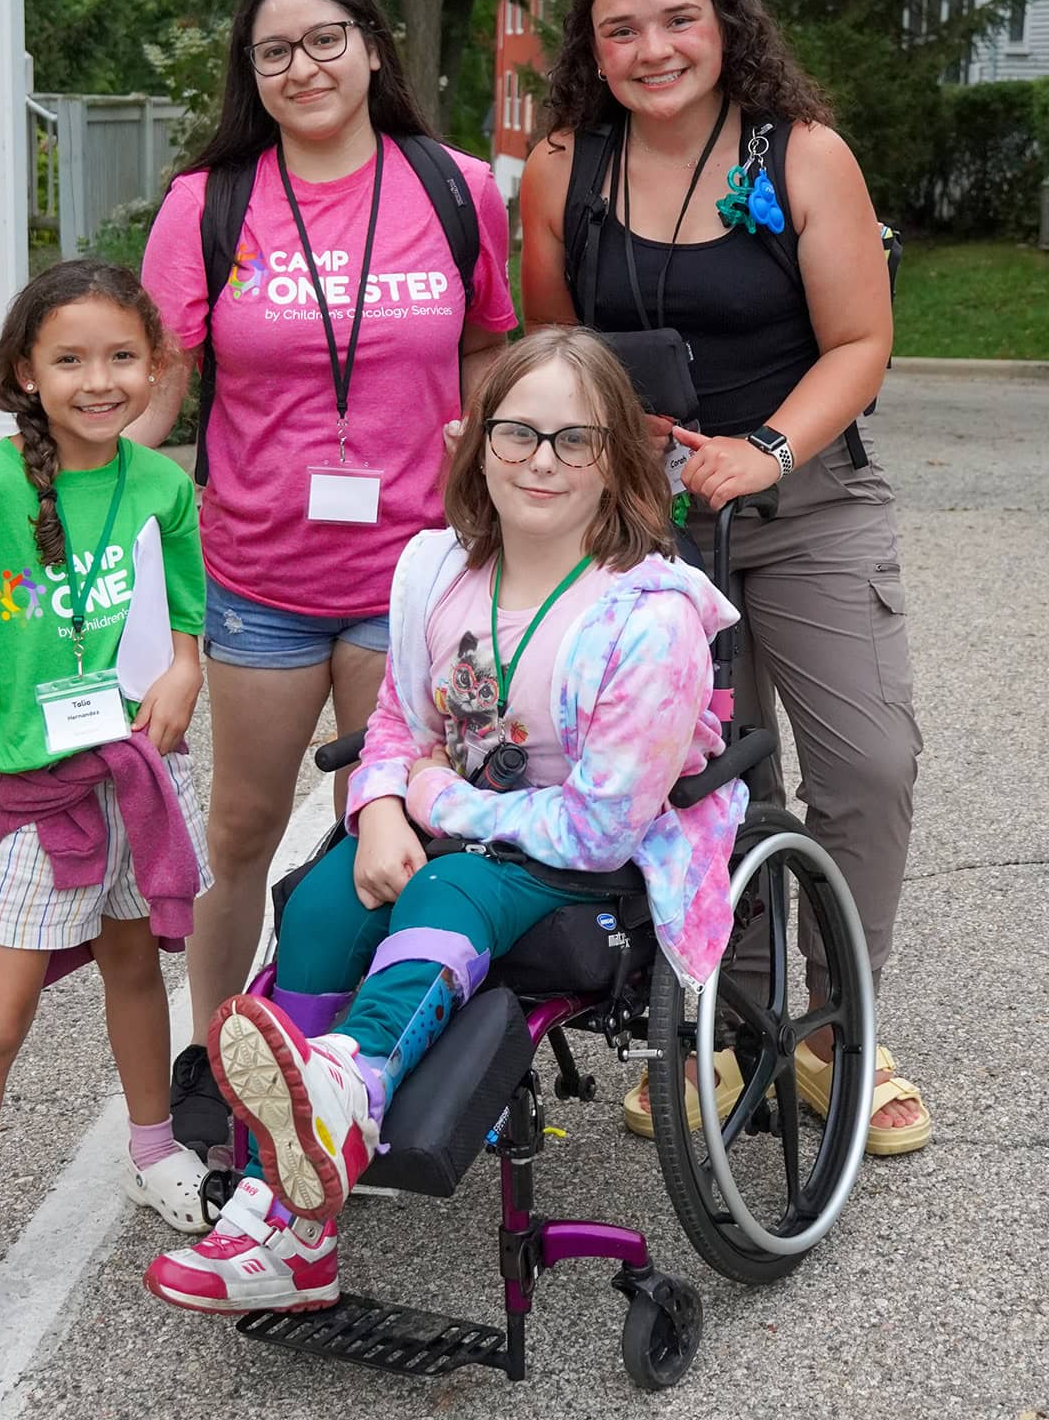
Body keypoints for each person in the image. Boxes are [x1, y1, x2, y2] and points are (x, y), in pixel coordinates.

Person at [142, 328, 747, 1314]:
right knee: (325, 901)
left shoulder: (650, 618)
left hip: (582, 855)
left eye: (575, 440)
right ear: (474, 443)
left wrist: (427, 799)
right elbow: (397, 725)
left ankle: (350, 1086)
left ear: (615, 460)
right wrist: (380, 807)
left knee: (449, 885)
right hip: (450, 822)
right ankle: (284, 1222)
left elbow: (598, 828)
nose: (542, 462)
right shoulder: (437, 571)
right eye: (518, 435)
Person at [519, 0, 929, 1155]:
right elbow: (554, 350)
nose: (652, 49)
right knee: (711, 783)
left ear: (725, 22)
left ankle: (835, 1032)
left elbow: (859, 340)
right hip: (647, 531)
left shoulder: (798, 154)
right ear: (590, 50)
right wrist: (603, 431)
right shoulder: (563, 169)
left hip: (804, 505)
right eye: (620, 30)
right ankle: (729, 1025)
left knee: (867, 767)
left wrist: (765, 450)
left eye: (677, 19)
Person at [134, 0, 516, 1162]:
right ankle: (222, 1062)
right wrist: (64, 490)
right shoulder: (208, 204)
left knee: (396, 829)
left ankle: (369, 1063)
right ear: (250, 72)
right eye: (274, 51)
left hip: (414, 581)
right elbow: (159, 384)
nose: (303, 67)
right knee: (242, 831)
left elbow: (487, 352)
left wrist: (489, 474)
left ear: (370, 44)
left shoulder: (455, 188)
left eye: (324, 39)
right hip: (257, 578)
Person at [0, 261, 212, 1377]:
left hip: (134, 781)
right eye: (69, 359)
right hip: (34, 800)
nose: (98, 380)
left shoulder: (161, 486)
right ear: (25, 372)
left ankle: (154, 1149)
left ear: (157, 367)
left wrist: (184, 666)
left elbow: (184, 617)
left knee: (134, 968)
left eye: (122, 356)